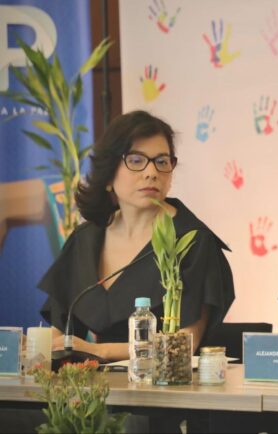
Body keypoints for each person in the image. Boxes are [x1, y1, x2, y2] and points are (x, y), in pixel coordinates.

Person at [39, 110, 235, 361]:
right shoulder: (85, 240)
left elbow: (184, 345)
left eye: (162, 162)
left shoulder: (192, 241)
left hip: (166, 381)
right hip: (93, 381)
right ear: (108, 175)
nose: (151, 172)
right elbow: (59, 334)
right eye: (136, 160)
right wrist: (31, 348)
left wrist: (99, 351)